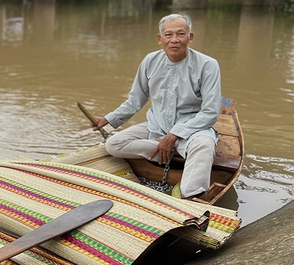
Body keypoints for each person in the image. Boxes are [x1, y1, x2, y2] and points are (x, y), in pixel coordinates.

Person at [92, 14, 221, 199]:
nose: (174, 40)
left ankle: (188, 197)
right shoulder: (150, 61)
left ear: (190, 37)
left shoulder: (208, 65)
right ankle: (163, 151)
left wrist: (174, 135)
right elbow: (135, 100)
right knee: (114, 144)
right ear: (160, 39)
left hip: (192, 128)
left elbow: (210, 112)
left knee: (204, 145)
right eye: (168, 35)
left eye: (181, 34)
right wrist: (108, 119)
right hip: (157, 126)